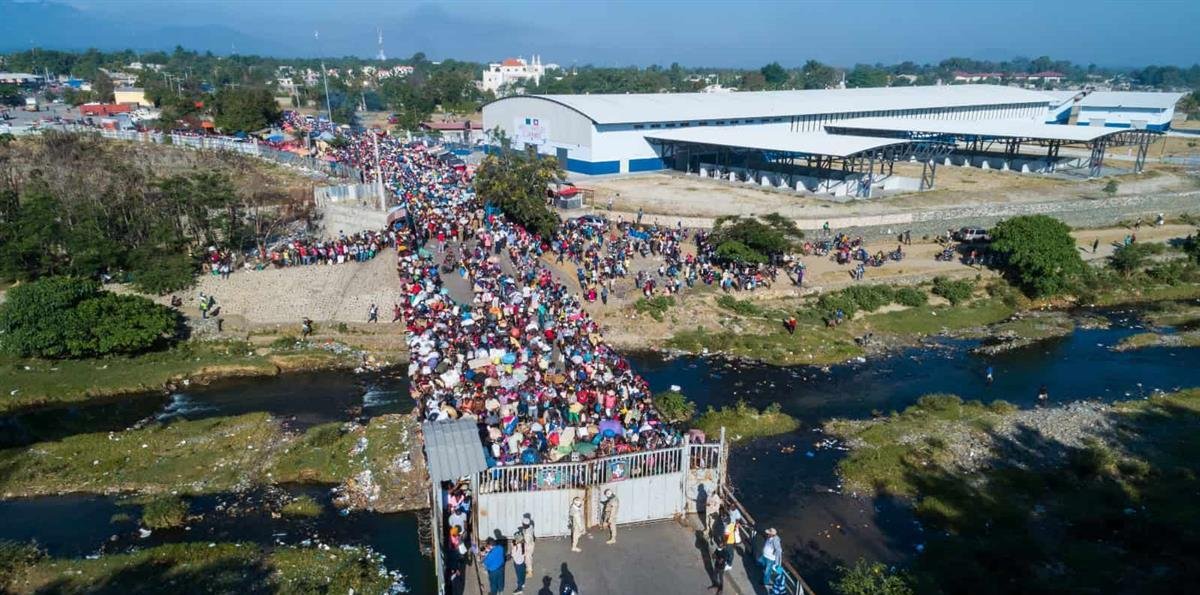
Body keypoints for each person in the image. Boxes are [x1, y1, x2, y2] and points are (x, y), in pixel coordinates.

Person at [511, 529, 528, 594]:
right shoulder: (524, 544)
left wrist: (512, 547)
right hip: (522, 562)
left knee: (519, 576)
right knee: (522, 574)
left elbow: (513, 555)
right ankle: (523, 583)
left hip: (517, 563)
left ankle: (519, 589)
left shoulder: (516, 547)